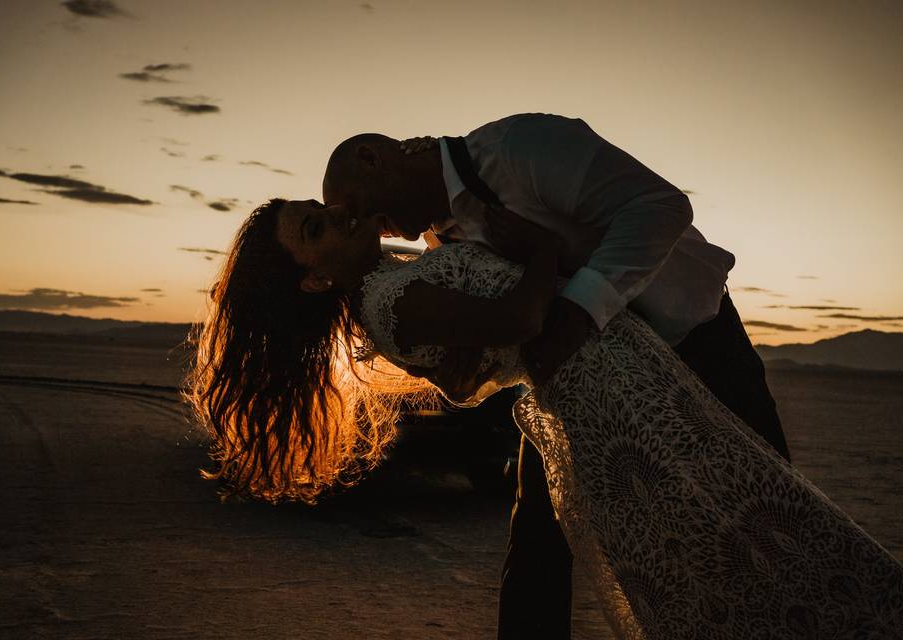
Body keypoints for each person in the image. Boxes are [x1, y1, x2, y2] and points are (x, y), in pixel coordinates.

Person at [186, 197, 902, 639]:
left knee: (733, 542)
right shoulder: (386, 302)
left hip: (614, 379)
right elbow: (523, 313)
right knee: (736, 537)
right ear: (313, 276)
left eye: (321, 206)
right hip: (613, 402)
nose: (339, 212)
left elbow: (475, 360)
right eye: (316, 226)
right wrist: (537, 245)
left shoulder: (387, 283)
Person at [321, 113, 790, 638]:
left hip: (698, 343)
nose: (367, 224)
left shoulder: (522, 146)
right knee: (537, 541)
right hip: (580, 383)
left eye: (358, 208)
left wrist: (576, 313)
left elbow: (662, 208)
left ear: (372, 156)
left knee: (773, 515)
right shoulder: (440, 239)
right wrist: (467, 371)